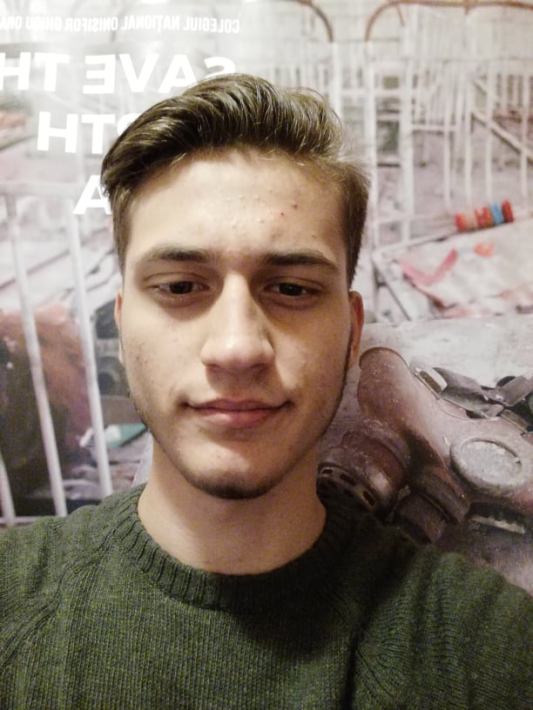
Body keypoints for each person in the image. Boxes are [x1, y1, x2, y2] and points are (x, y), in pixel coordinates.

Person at [0, 73, 531, 710]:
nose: (236, 348)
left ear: (351, 331)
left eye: (292, 289)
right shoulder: (12, 603)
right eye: (180, 287)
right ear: (122, 323)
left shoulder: (492, 650)